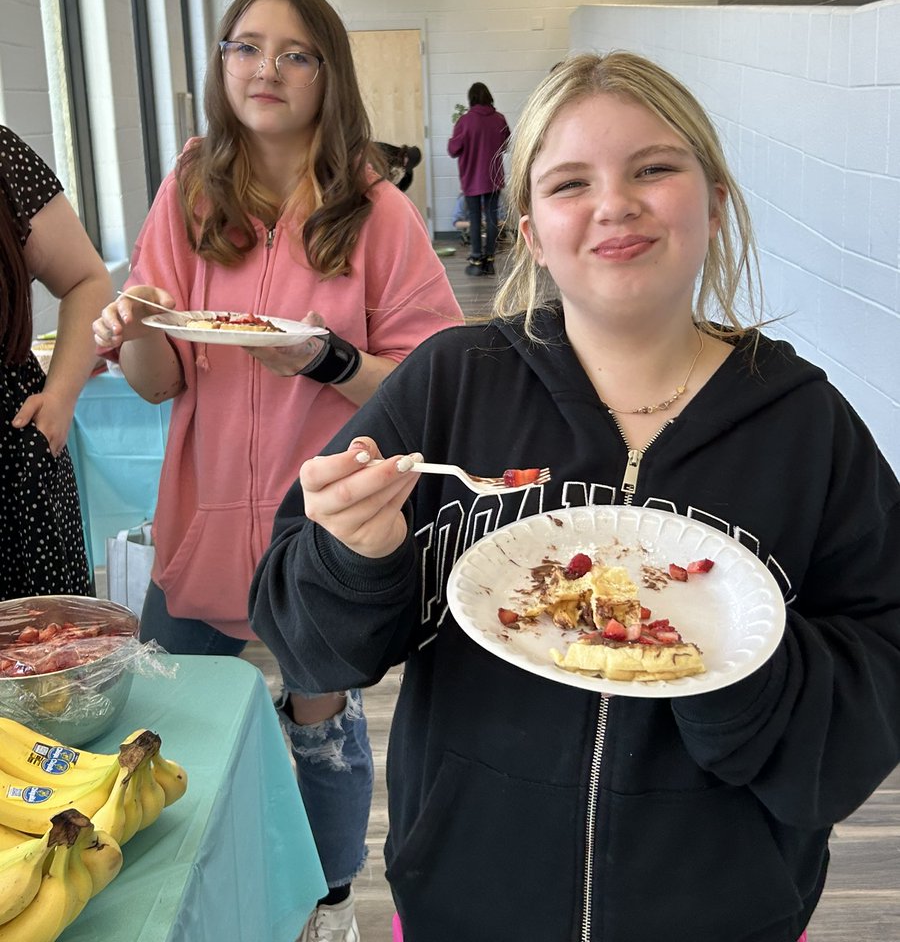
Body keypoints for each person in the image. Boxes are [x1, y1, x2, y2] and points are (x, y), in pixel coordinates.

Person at [249, 52, 900, 942]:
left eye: (653, 168)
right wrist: (352, 556)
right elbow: (306, 641)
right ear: (530, 229)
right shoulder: (451, 385)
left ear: (714, 201)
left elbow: (877, 676)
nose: (614, 204)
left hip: (723, 913)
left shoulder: (805, 427)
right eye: (570, 183)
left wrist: (734, 673)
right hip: (464, 904)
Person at [91, 0, 463, 942]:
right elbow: (158, 381)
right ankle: (170, 898)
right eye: (246, 47)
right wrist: (133, 325)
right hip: (202, 517)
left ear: (328, 75)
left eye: (296, 53)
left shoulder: (374, 211)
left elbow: (433, 380)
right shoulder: (191, 189)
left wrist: (326, 360)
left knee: (321, 730)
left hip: (320, 535)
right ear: (221, 63)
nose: (267, 69)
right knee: (163, 729)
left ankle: (329, 904)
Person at [0, 124, 112, 599]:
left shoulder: (3, 157)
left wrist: (61, 398)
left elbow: (87, 279)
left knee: (43, 639)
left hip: (13, 461)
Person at [447, 81, 509, 276]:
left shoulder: (465, 121)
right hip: (493, 176)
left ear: (471, 99)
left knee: (474, 218)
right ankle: (489, 261)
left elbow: (453, 150)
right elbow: (506, 145)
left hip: (472, 177)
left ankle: (475, 261)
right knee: (492, 217)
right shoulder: (499, 119)